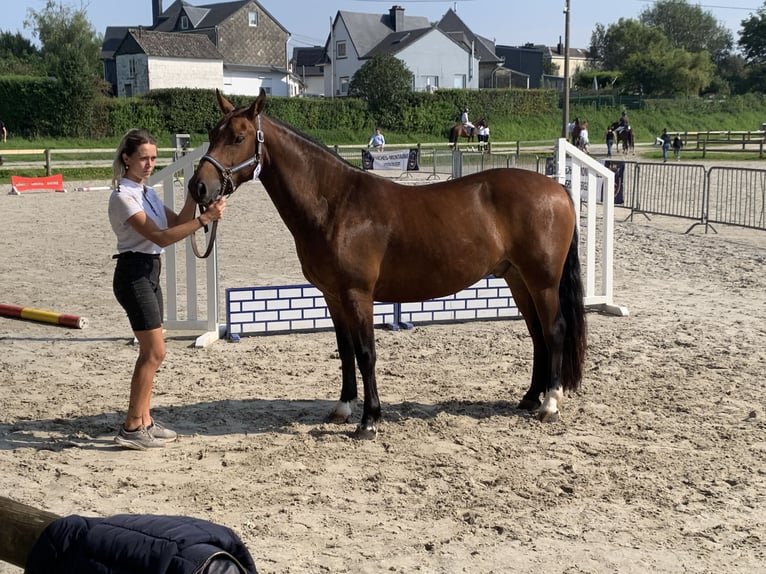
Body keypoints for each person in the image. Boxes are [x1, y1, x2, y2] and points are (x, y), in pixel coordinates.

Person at [108, 128, 227, 450]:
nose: (149, 164)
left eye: (153, 159)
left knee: (153, 353)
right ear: (127, 159)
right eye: (143, 158)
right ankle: (132, 426)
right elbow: (161, 237)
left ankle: (144, 419)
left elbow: (176, 223)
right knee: (154, 352)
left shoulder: (147, 193)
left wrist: (195, 199)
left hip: (149, 272)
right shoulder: (124, 196)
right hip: (134, 273)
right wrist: (206, 220)